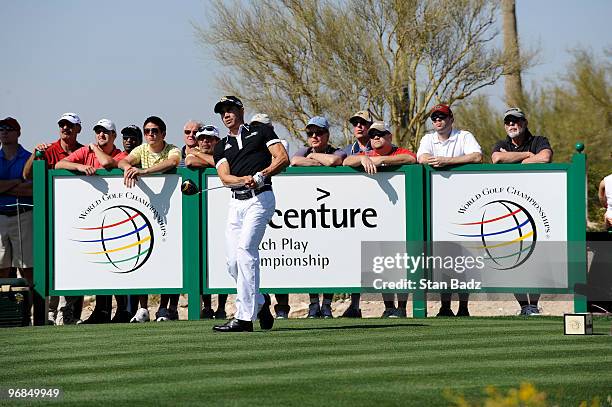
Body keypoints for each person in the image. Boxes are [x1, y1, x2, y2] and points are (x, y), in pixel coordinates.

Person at [211, 96, 289, 332]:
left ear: (241, 110)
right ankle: (260, 302)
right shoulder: (220, 146)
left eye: (230, 109)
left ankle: (244, 318)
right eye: (222, 111)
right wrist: (242, 179)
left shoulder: (260, 131)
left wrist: (262, 174)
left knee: (246, 251)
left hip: (261, 199)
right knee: (233, 263)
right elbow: (225, 178)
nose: (226, 114)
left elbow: (282, 158)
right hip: (237, 204)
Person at [55, 119, 131, 323]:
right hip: (91, 218)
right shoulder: (85, 152)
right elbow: (59, 164)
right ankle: (102, 311)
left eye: (106, 132)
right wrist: (80, 167)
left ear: (114, 136)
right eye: (98, 132)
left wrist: (94, 150)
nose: (101, 135)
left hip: (117, 216)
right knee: (99, 265)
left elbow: (107, 163)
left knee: (117, 264)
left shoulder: (119, 154)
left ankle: (122, 310)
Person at [344, 121, 416, 317]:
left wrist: (381, 160)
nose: (376, 137)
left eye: (380, 134)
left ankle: (401, 308)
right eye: (373, 134)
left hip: (401, 215)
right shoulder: (368, 154)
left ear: (389, 136)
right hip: (377, 217)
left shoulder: (396, 151)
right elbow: (346, 162)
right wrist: (363, 160)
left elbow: (411, 158)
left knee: (400, 263)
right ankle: (388, 307)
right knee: (383, 263)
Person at [417, 104, 483, 317]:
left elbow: (476, 156)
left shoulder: (463, 136)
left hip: (465, 204)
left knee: (464, 259)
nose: (438, 120)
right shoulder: (428, 139)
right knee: (445, 258)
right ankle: (445, 306)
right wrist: (436, 160)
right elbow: (421, 157)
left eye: (442, 117)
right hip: (439, 206)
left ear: (451, 119)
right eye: (435, 117)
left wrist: (448, 161)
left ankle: (463, 306)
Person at [23, 112, 85, 325]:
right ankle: (49, 311)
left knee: (76, 264)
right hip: (50, 216)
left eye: (70, 126)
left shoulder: (83, 151)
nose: (65, 129)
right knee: (50, 263)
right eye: (62, 125)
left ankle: (68, 311)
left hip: (78, 217)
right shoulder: (47, 150)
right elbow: (27, 175)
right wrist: (34, 154)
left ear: (78, 129)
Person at [118, 116, 181, 322]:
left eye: (155, 131)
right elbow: (123, 160)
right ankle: (143, 309)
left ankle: (164, 308)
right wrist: (128, 167)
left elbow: (172, 162)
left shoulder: (172, 148)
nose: (150, 134)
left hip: (171, 213)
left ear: (163, 133)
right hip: (146, 213)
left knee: (169, 260)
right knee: (143, 257)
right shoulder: (141, 150)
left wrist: (143, 172)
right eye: (147, 131)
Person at [491, 107, 553, 316]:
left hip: (535, 206)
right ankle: (523, 306)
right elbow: (497, 159)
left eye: (516, 121)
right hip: (508, 206)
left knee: (535, 258)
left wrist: (515, 158)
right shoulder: (502, 145)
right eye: (508, 122)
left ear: (525, 123)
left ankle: (533, 305)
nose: (512, 125)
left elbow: (544, 158)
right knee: (511, 259)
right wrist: (527, 155)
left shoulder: (539, 140)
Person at [291, 116, 346, 318]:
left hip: (333, 213)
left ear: (327, 135)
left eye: (318, 133)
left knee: (331, 258)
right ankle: (314, 304)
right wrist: (318, 160)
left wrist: (315, 159)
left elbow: (334, 160)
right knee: (313, 260)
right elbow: (294, 161)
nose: (314, 136)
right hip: (308, 213)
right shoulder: (302, 152)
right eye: (310, 133)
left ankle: (327, 305)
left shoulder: (336, 150)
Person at [184, 124, 229, 320]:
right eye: (201, 138)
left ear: (217, 141)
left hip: (223, 211)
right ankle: (207, 307)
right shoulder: (204, 155)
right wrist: (213, 162)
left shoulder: (226, 153)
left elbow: (221, 164)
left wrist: (207, 158)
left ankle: (221, 307)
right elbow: (190, 161)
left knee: (223, 261)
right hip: (201, 215)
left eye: (209, 139)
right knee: (204, 262)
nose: (204, 141)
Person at [338, 110, 375, 318]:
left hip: (379, 206)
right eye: (356, 123)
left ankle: (392, 307)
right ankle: (355, 305)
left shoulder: (378, 143)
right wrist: (361, 158)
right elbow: (341, 161)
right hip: (356, 208)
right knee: (356, 258)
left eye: (363, 123)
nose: (359, 126)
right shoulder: (348, 149)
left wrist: (373, 159)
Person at [0, 117, 34, 301]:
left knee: (27, 268)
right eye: (1, 128)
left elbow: (32, 189)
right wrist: (16, 183)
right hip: (0, 218)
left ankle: (31, 315)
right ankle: (5, 311)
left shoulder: (28, 157)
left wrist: (4, 186)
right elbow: (23, 186)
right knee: (1, 268)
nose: (4, 131)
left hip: (24, 215)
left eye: (9, 128)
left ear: (18, 133)